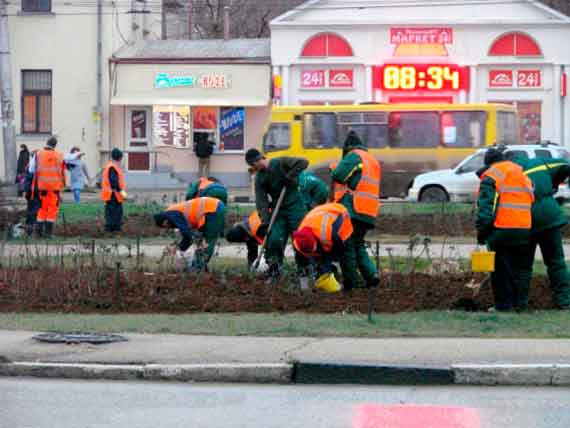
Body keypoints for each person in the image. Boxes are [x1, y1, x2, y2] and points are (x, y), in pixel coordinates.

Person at [508, 152, 570, 310]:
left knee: (523, 266)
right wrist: (554, 183)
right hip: (549, 219)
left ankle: (520, 304)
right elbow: (565, 166)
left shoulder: (509, 173)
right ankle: (564, 302)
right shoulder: (539, 162)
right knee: (556, 262)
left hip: (526, 222)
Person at [475, 147, 534, 311]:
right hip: (524, 228)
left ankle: (503, 306)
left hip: (502, 228)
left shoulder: (493, 174)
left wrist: (482, 232)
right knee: (516, 269)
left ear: (489, 163)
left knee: (500, 270)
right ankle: (518, 304)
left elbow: (487, 207)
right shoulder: (520, 173)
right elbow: (530, 198)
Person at [245, 148, 308, 281]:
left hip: (295, 206)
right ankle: (275, 270)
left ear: (259, 159)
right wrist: (265, 221)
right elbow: (261, 202)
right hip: (278, 210)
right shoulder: (260, 178)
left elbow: (303, 162)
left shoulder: (280, 162)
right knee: (273, 239)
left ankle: (305, 272)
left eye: (253, 164)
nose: (253, 168)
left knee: (300, 239)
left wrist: (290, 176)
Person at [331, 131, 381, 291]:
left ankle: (352, 283)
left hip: (353, 209)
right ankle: (372, 275)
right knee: (358, 244)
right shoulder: (372, 160)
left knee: (347, 246)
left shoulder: (354, 155)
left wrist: (336, 168)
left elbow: (338, 175)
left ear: (348, 147)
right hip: (368, 211)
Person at [154, 197, 226, 272]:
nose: (167, 229)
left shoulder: (172, 214)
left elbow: (187, 233)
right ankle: (200, 267)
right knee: (202, 243)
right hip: (212, 209)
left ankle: (197, 268)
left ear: (165, 221)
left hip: (213, 209)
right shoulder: (172, 215)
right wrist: (179, 248)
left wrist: (196, 241)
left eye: (164, 226)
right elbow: (187, 237)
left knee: (208, 240)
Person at [292, 203, 353, 291]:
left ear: (315, 240)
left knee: (342, 257)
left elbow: (339, 252)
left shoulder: (329, 234)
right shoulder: (298, 244)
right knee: (320, 263)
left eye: (313, 250)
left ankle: (347, 283)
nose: (312, 253)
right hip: (318, 217)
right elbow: (302, 264)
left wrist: (331, 264)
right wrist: (304, 288)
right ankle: (328, 276)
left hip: (340, 214)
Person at [29, 137, 66, 239]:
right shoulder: (59, 155)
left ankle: (38, 232)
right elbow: (66, 165)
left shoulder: (38, 154)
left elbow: (31, 170)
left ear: (47, 143)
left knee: (42, 209)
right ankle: (48, 233)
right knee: (52, 209)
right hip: (54, 189)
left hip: (42, 188)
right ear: (55, 145)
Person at [100, 148, 127, 233]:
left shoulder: (110, 166)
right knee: (115, 212)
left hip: (111, 194)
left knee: (112, 212)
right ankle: (113, 229)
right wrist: (122, 192)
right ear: (120, 158)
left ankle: (113, 228)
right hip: (113, 194)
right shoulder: (113, 167)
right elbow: (114, 182)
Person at [23, 150, 40, 237]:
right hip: (34, 192)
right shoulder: (32, 167)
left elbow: (25, 180)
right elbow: (28, 179)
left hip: (31, 192)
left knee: (31, 210)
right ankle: (33, 230)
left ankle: (29, 230)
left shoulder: (29, 166)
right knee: (34, 211)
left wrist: (25, 191)